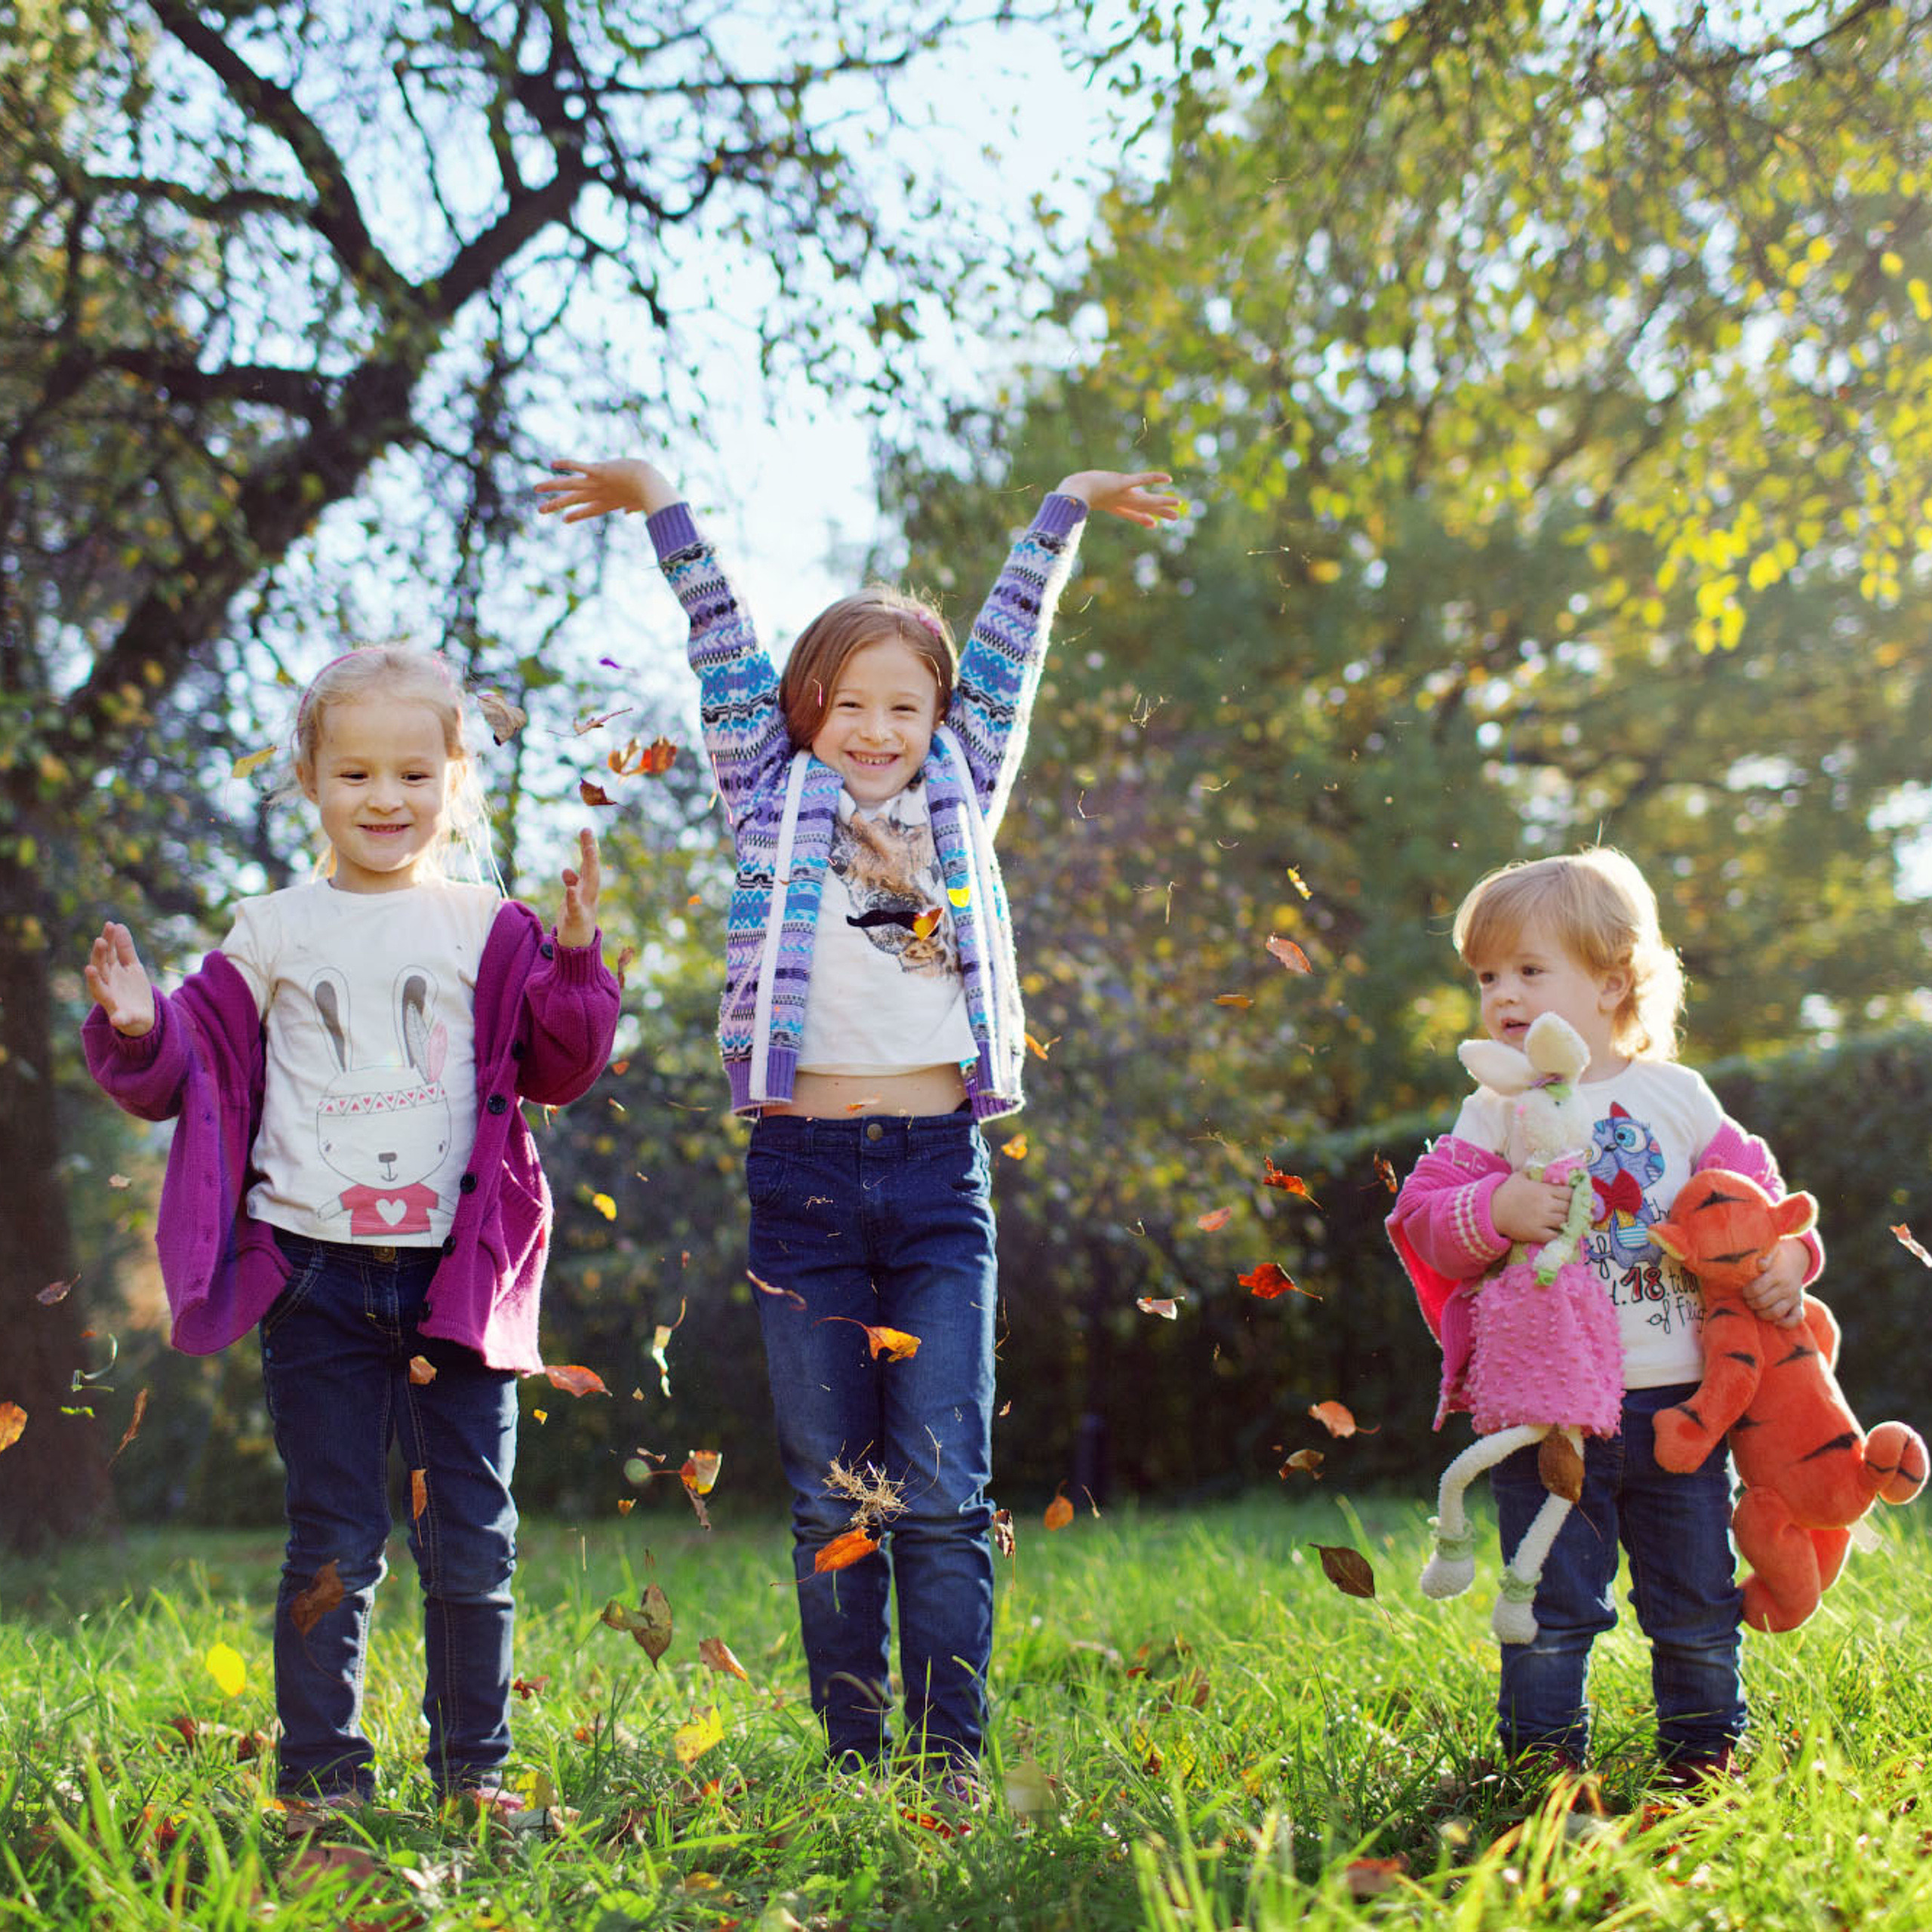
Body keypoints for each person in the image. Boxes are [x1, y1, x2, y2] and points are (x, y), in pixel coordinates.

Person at [537, 451, 1179, 1789]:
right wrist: (665, 506)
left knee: (940, 1498)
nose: (878, 729)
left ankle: (949, 1760)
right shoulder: (768, 801)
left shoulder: (960, 802)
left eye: (907, 705)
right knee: (835, 1498)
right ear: (807, 713)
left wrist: (1060, 513)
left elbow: (1011, 643)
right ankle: (853, 1758)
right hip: (804, 1181)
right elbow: (720, 647)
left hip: (941, 1179)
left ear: (943, 718)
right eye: (848, 703)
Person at [82, 647, 621, 1818]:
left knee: (472, 1536)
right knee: (334, 1533)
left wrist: (578, 962)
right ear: (311, 781)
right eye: (357, 773)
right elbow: (189, 1064)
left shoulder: (494, 925)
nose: (387, 799)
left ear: (454, 781)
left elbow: (562, 1069)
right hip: (313, 1274)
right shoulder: (272, 929)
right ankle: (323, 1780)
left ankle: (473, 1772)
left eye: (415, 774)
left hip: (458, 1278)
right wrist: (136, 1026)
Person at [1386, 848, 1819, 1783]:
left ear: (1612, 980)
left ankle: (1701, 1762)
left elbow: (1759, 1199)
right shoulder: (1493, 1107)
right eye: (1486, 975)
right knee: (1548, 1605)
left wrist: (1784, 1259)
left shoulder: (1676, 1095)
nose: (1501, 993)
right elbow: (1423, 1219)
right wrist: (1494, 1211)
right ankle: (1541, 1772)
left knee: (1695, 1600)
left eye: (1528, 970)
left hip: (1679, 1411)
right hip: (1550, 1412)